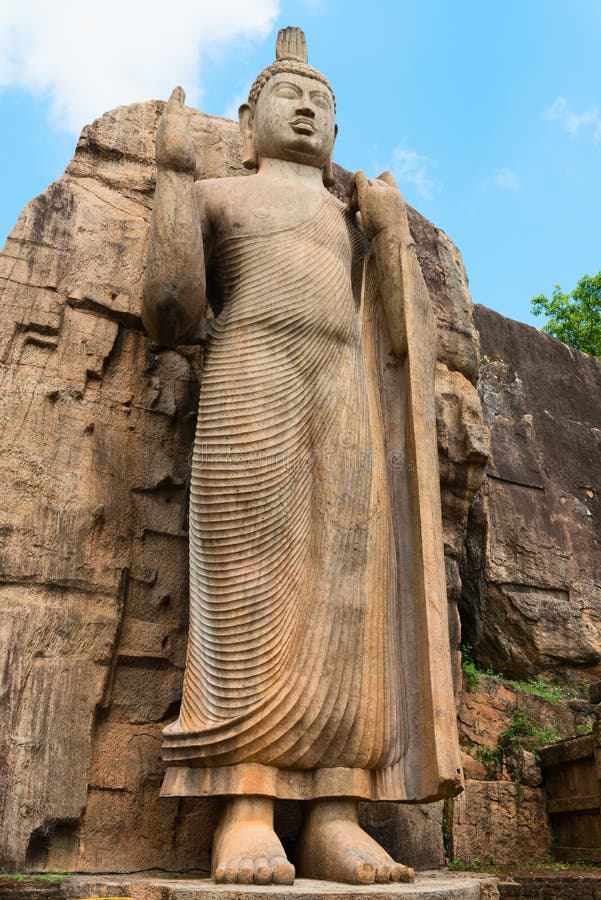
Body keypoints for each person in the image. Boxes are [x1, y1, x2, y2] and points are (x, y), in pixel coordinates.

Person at [142, 26, 461, 886]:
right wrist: (172, 179)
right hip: (252, 375)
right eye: (291, 95)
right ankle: (244, 809)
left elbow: (405, 341)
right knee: (246, 586)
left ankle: (334, 814)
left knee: (346, 603)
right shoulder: (220, 195)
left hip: (343, 394)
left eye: (324, 102)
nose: (309, 109)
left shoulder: (350, 220)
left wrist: (389, 236)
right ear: (248, 123)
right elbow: (170, 311)